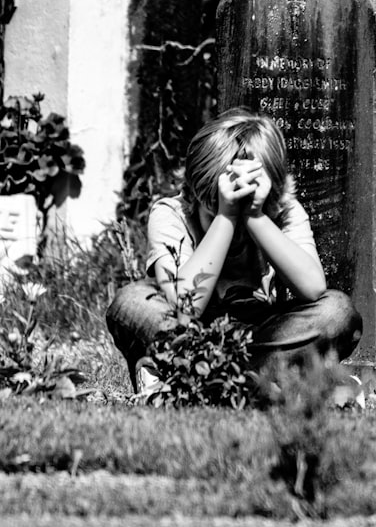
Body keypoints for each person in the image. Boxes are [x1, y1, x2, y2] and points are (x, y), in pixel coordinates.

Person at [106, 108, 362, 393]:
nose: (238, 226)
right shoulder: (171, 213)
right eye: (215, 207)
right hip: (193, 335)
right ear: (193, 191)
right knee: (131, 302)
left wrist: (256, 217)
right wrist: (224, 218)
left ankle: (198, 381)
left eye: (245, 205)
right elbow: (185, 307)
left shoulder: (284, 211)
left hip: (263, 336)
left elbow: (313, 289)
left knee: (337, 311)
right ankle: (268, 381)